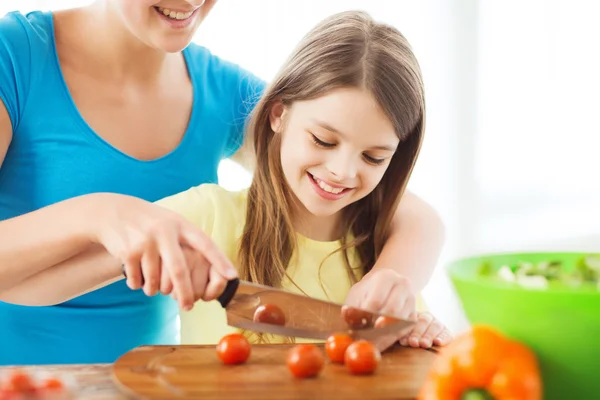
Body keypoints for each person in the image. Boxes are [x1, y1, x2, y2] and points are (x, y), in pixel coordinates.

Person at [0, 9, 451, 361]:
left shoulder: (225, 92)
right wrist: (101, 214)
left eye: (373, 157)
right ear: (280, 115)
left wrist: (398, 282)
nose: (341, 170)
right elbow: (25, 285)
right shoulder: (16, 55)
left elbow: (399, 208)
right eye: (324, 140)